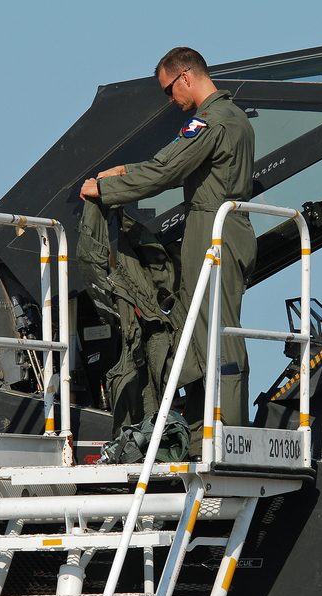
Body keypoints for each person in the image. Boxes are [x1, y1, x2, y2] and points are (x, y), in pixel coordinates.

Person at [79, 47, 256, 439]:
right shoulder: (235, 118)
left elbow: (167, 170)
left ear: (186, 76)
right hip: (225, 227)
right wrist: (127, 170)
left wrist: (106, 189)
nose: (171, 101)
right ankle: (202, 428)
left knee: (213, 329)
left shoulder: (211, 121)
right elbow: (179, 168)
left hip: (213, 229)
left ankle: (228, 432)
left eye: (168, 91)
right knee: (201, 327)